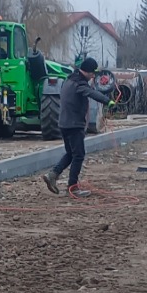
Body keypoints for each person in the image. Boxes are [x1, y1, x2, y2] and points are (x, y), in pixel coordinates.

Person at [43, 56, 110, 196]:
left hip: (64, 124)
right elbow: (92, 93)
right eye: (92, 73)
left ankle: (52, 175)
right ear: (87, 71)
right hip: (74, 125)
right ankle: (72, 188)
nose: (93, 76)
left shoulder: (69, 79)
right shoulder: (80, 84)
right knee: (78, 155)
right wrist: (108, 101)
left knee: (71, 153)